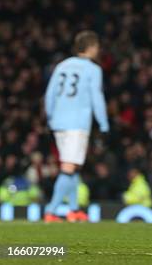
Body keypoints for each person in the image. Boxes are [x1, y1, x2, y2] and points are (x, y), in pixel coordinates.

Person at [43, 30, 109, 223]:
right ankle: (52, 211)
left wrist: (50, 117)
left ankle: (73, 210)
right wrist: (104, 124)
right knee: (69, 166)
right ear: (91, 47)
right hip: (77, 123)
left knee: (74, 165)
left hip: (58, 122)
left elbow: (49, 94)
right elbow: (97, 98)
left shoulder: (62, 65)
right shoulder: (93, 69)